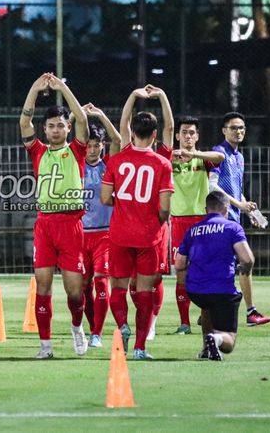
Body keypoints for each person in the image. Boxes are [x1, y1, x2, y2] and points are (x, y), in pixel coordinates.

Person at [19, 73, 90, 359]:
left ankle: (77, 327)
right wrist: (35, 88)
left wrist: (62, 87)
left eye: (61, 125)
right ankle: (45, 345)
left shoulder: (77, 150)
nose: (56, 129)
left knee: (74, 291)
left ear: (67, 127)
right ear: (45, 130)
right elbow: (24, 122)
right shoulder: (38, 151)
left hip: (71, 225)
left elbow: (83, 121)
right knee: (43, 285)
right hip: (45, 225)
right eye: (51, 126)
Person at [102, 87, 174, 360]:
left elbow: (105, 198)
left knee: (117, 288)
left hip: (119, 234)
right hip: (149, 236)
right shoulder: (162, 163)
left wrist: (132, 95)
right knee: (145, 291)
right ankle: (141, 348)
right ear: (154, 135)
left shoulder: (118, 160)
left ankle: (122, 325)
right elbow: (165, 208)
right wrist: (162, 96)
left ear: (131, 133)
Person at [175, 191, 255, 360]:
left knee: (207, 306)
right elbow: (247, 258)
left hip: (196, 291)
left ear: (206, 209)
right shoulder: (232, 228)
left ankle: (206, 348)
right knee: (229, 343)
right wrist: (244, 268)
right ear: (226, 208)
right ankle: (216, 338)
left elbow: (179, 264)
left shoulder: (192, 230)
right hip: (223, 291)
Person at [209, 112, 270, 327]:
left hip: (233, 219)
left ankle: (209, 310)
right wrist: (238, 205)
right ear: (224, 130)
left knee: (226, 266)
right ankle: (250, 312)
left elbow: (236, 190)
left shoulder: (239, 157)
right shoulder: (219, 153)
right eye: (234, 128)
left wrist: (251, 212)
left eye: (242, 128)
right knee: (244, 262)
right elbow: (213, 186)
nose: (238, 132)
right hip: (222, 219)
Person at [169, 116, 225, 335]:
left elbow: (220, 157)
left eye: (192, 133)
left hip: (201, 222)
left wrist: (195, 154)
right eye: (184, 132)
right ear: (177, 136)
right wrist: (172, 154)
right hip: (178, 222)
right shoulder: (168, 158)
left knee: (203, 272)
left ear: (197, 136)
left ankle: (206, 316)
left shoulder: (202, 159)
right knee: (181, 272)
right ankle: (185, 323)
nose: (188, 136)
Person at [78, 104, 121, 348]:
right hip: (79, 235)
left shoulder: (109, 166)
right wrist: (77, 115)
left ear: (102, 146)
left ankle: (97, 333)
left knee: (101, 282)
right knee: (82, 287)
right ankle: (91, 327)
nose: (93, 149)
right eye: (90, 145)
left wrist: (101, 115)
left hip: (105, 234)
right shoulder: (75, 164)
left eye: (97, 145)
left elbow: (117, 138)